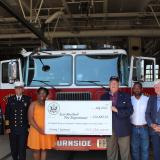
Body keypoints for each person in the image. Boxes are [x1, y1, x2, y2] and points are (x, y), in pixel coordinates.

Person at [101, 76, 133, 160]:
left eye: (115, 83)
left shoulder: (126, 96)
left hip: (123, 128)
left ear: (118, 85)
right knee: (111, 152)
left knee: (125, 153)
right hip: (109, 129)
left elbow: (130, 110)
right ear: (109, 85)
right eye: (111, 83)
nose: (113, 84)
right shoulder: (103, 97)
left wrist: (117, 110)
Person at [27, 87, 57, 160]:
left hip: (46, 130)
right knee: (36, 150)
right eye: (40, 93)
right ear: (37, 94)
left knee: (44, 149)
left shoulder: (49, 104)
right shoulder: (33, 104)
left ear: (47, 94)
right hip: (36, 130)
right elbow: (30, 119)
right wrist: (39, 129)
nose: (42, 94)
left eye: (44, 93)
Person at [5, 81, 31, 160]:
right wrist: (7, 127)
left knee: (22, 148)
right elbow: (7, 115)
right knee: (14, 148)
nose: (18, 90)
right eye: (16, 88)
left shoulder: (27, 99)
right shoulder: (10, 99)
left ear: (23, 89)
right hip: (12, 128)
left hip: (23, 128)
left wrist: (29, 126)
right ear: (14, 90)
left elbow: (29, 114)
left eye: (20, 88)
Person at [130, 82, 149, 160]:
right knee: (134, 149)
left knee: (145, 149)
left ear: (142, 89)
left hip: (144, 128)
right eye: (135, 88)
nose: (137, 89)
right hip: (133, 128)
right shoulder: (130, 99)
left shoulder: (147, 99)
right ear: (133, 89)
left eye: (138, 88)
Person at [146, 79, 160, 160]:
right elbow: (147, 114)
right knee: (156, 153)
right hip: (154, 131)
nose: (157, 89)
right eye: (155, 87)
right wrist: (151, 124)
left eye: (158, 87)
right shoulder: (151, 98)